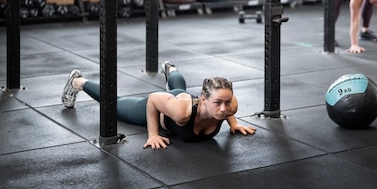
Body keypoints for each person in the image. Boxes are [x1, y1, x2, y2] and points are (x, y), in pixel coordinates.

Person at [61, 61, 256, 150]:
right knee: (115, 105)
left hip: (181, 98)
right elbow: (154, 99)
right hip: (166, 107)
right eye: (218, 103)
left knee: (179, 88)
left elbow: (226, 107)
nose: (224, 109)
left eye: (227, 102)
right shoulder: (182, 114)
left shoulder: (230, 106)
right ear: (204, 99)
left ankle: (170, 68)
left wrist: (234, 124)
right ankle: (78, 81)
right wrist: (153, 134)